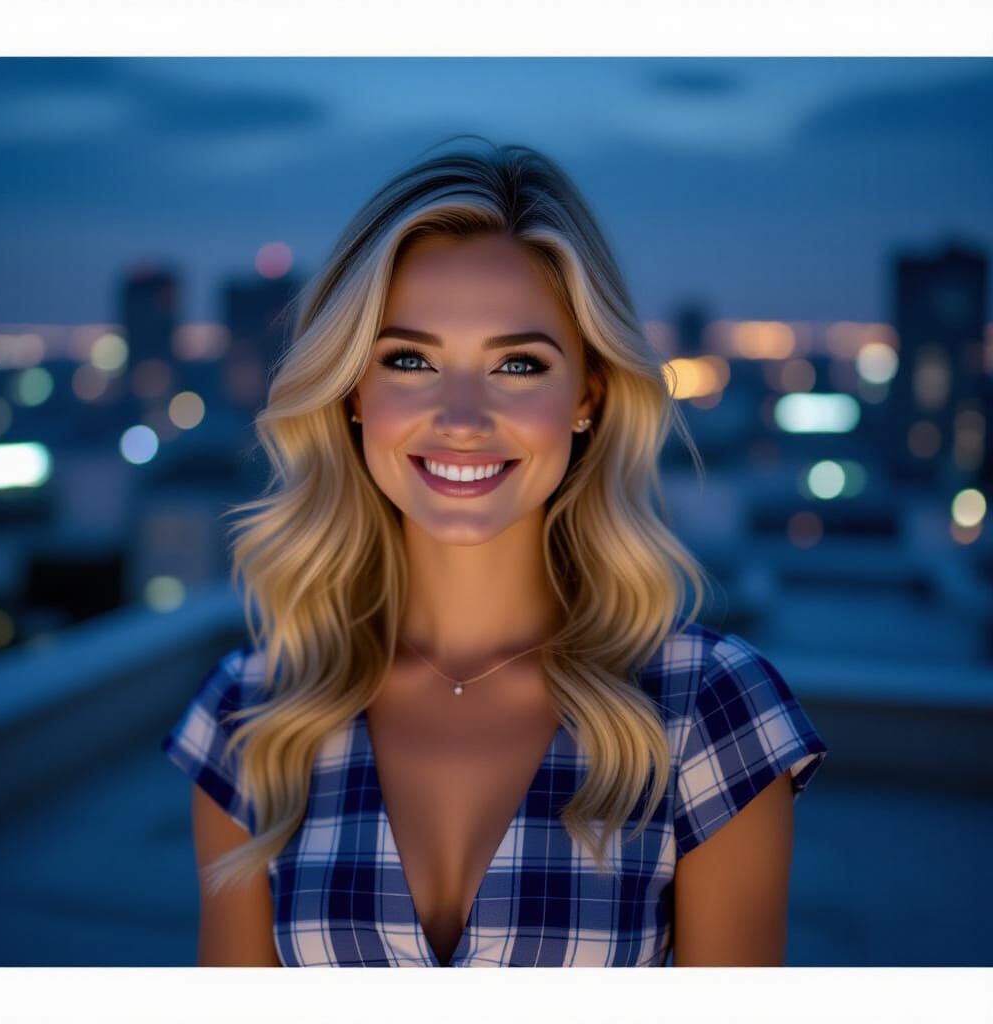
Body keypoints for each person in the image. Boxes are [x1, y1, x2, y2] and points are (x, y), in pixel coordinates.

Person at [161, 135, 829, 968]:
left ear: (586, 394)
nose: (463, 416)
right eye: (410, 359)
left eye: (517, 364)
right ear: (354, 394)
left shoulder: (711, 712)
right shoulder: (252, 717)